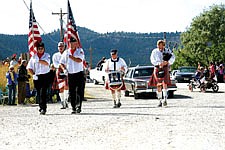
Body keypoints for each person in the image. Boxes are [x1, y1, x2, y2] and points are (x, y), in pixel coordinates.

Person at [60, 37, 85, 114]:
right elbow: (61, 63)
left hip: (79, 73)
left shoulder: (80, 51)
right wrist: (64, 69)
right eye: (70, 43)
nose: (72, 44)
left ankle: (78, 106)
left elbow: (79, 60)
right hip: (70, 74)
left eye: (73, 42)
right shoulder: (66, 52)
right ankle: (73, 107)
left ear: (76, 43)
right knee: (72, 91)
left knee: (79, 91)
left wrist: (70, 57)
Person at [27, 42, 51, 115]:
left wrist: (38, 61)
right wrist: (33, 73)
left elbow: (46, 63)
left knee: (43, 92)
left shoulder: (47, 55)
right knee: (38, 92)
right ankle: (41, 107)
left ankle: (43, 108)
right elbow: (29, 67)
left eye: (42, 48)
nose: (40, 50)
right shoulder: (33, 57)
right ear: (36, 49)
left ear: (44, 49)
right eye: (39, 49)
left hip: (45, 76)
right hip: (37, 76)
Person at [149, 40, 175, 107]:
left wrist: (168, 62)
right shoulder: (154, 51)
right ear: (157, 45)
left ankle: (165, 99)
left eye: (162, 45)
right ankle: (160, 100)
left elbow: (173, 58)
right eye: (159, 45)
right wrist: (158, 63)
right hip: (157, 68)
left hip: (165, 67)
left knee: (165, 83)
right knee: (158, 84)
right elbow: (152, 60)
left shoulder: (167, 51)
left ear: (164, 45)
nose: (160, 47)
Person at [52, 42, 69, 109]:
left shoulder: (67, 54)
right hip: (59, 71)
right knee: (61, 87)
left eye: (62, 46)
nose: (60, 47)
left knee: (66, 86)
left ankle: (66, 100)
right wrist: (62, 66)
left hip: (66, 71)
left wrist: (65, 68)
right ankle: (62, 102)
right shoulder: (55, 55)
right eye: (59, 46)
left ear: (64, 47)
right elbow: (55, 64)